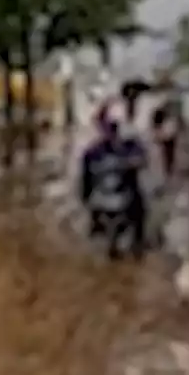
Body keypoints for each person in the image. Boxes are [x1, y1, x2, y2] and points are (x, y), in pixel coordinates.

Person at [81, 102, 148, 259]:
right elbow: (86, 177)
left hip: (124, 190)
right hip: (103, 193)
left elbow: (142, 159)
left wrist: (132, 162)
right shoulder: (93, 151)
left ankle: (138, 240)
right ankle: (96, 221)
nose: (110, 130)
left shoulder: (129, 144)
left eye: (113, 127)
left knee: (139, 203)